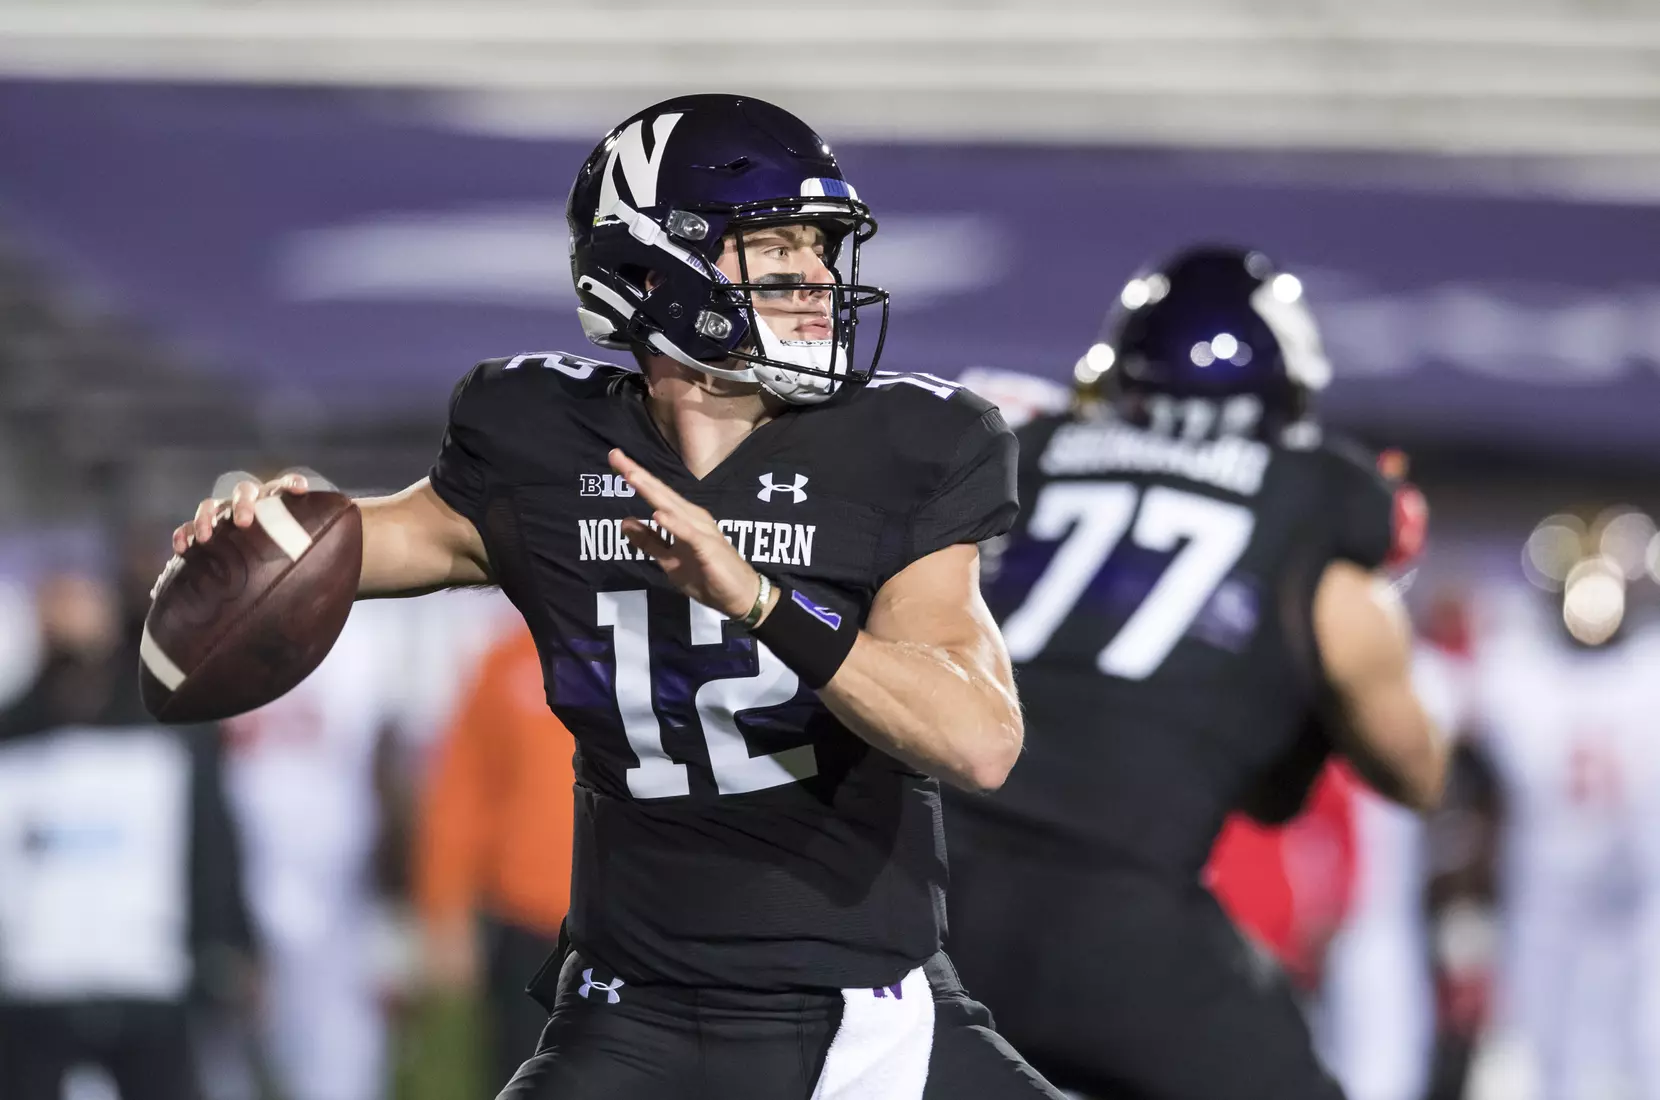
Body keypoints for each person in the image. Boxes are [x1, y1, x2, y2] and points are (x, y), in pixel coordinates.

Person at [171, 94, 1068, 1100]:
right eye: (774, 247)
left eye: (821, 248)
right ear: (653, 269)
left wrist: (760, 597)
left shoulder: (906, 447)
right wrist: (262, 529)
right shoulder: (537, 440)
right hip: (627, 1013)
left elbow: (977, 736)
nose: (817, 279)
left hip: (863, 1019)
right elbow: (354, 546)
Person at [944, 245, 1447, 1100]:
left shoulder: (1019, 455)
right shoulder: (1320, 527)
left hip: (925, 899)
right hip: (1118, 921)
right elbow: (1417, 774)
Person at [0, 570, 256, 1100]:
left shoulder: (172, 727)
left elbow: (212, 844)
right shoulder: (13, 733)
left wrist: (228, 943)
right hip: (33, 988)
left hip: (150, 981)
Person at [416, 619, 576, 1090]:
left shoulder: (667, 653)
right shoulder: (511, 659)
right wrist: (444, 906)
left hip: (641, 927)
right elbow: (464, 791)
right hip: (529, 927)